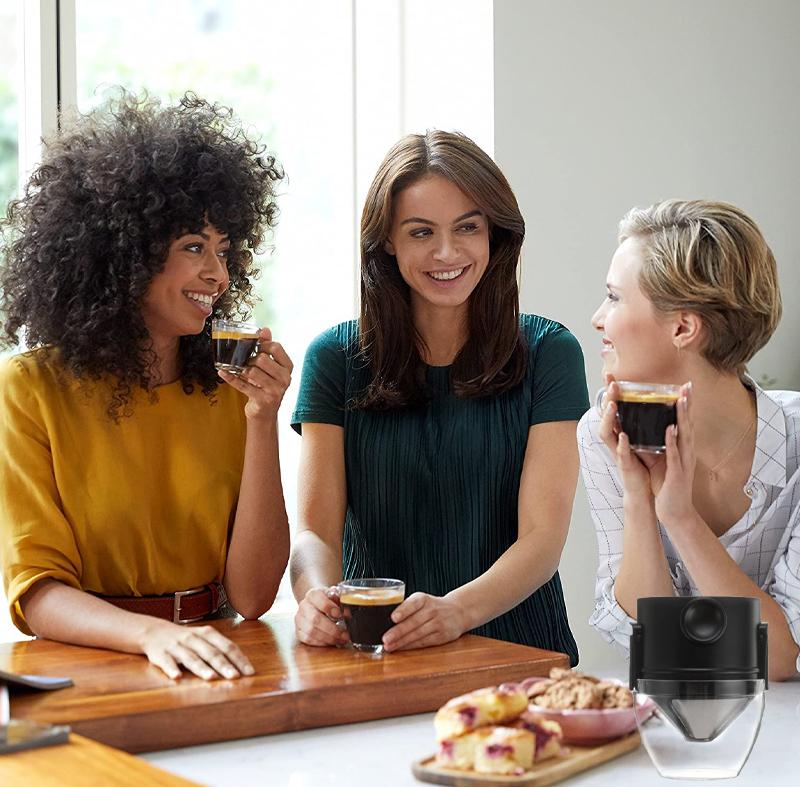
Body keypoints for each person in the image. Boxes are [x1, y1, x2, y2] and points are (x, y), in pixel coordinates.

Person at [0, 93, 293, 680]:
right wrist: (152, 636)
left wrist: (262, 419)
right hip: (91, 663)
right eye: (193, 247)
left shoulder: (224, 389)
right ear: (123, 255)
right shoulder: (30, 390)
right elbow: (36, 594)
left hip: (216, 657)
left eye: (224, 250)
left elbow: (255, 597)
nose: (219, 274)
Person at [290, 130, 589, 662]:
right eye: (421, 232)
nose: (446, 253)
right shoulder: (334, 357)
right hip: (376, 655)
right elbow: (315, 531)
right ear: (386, 241)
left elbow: (541, 541)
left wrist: (455, 613)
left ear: (495, 234)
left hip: (520, 657)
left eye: (467, 228)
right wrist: (315, 596)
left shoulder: (550, 351)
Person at [578, 199, 800, 681]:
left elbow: (782, 658)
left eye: (614, 298)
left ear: (683, 327)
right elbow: (649, 642)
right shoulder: (604, 432)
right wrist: (639, 494)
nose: (598, 318)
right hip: (677, 720)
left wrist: (679, 517)